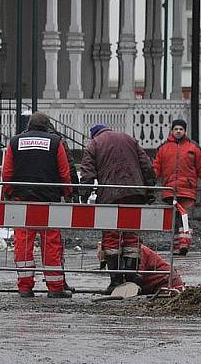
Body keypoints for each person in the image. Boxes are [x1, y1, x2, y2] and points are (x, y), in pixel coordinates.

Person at [1, 111, 73, 298]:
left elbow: (7, 172)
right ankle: (55, 287)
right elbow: (64, 172)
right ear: (47, 126)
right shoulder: (56, 142)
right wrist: (68, 193)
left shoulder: (15, 142)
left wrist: (9, 191)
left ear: (29, 125)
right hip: (49, 201)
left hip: (22, 200)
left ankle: (25, 287)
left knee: (23, 243)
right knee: (51, 243)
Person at [79, 124, 156, 293]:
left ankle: (115, 281)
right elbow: (147, 166)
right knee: (131, 235)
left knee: (112, 237)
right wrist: (150, 191)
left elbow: (87, 172)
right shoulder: (129, 139)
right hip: (135, 195)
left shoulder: (94, 144)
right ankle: (130, 277)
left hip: (110, 197)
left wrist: (83, 196)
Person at [152, 119, 201, 256]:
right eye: (176, 129)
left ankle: (183, 245)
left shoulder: (193, 148)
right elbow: (156, 167)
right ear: (172, 131)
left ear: (185, 131)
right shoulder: (163, 149)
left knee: (184, 217)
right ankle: (177, 246)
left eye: (181, 129)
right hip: (170, 191)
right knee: (174, 220)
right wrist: (150, 180)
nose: (178, 131)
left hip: (187, 190)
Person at [96, 242, 185, 295]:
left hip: (167, 284)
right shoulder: (127, 252)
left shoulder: (135, 253)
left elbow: (137, 276)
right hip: (157, 284)